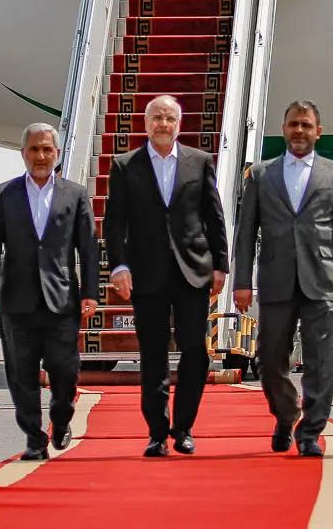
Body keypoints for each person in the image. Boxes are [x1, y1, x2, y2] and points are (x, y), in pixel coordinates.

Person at [233, 100, 333, 457]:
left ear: (318, 131)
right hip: (275, 280)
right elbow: (246, 233)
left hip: (323, 281)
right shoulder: (261, 175)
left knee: (321, 361)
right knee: (270, 360)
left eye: (306, 125)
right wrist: (241, 281)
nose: (299, 131)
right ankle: (287, 413)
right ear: (284, 129)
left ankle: (310, 433)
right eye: (293, 124)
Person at [105, 94, 229, 457]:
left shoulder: (200, 161)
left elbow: (214, 216)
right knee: (153, 354)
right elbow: (115, 222)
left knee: (196, 351)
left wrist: (220, 264)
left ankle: (184, 427)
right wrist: (119, 265)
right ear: (146, 124)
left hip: (193, 272)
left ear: (179, 124)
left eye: (169, 118)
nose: (163, 124)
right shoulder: (125, 165)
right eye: (157, 118)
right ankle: (157, 433)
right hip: (146, 274)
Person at [0, 123, 100, 460]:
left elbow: (89, 248)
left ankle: (61, 420)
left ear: (57, 154)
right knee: (22, 374)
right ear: (23, 154)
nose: (41, 156)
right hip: (17, 301)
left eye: (47, 149)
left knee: (65, 370)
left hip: (62, 300)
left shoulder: (75, 195)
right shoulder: (4, 194)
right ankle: (34, 438)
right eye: (34, 149)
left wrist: (91, 292)